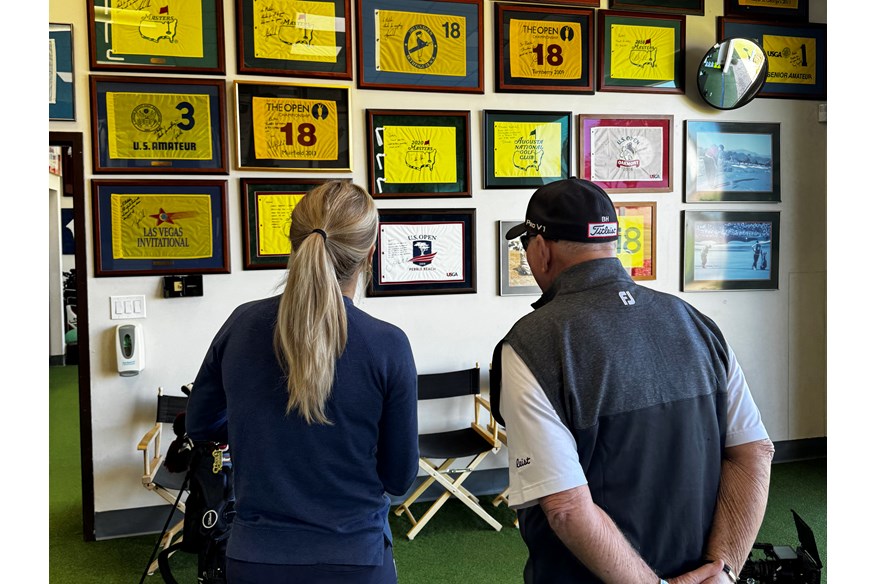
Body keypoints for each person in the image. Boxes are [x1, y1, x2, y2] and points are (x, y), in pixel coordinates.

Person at [489, 178, 774, 584]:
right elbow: (756, 452)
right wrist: (724, 569)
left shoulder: (531, 344)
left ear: (540, 249)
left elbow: (566, 507)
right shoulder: (697, 324)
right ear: (611, 244)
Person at [186, 181, 420, 584]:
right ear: (370, 250)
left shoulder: (242, 325)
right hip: (356, 558)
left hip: (255, 558)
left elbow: (201, 424)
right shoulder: (387, 344)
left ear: (292, 242)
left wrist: (260, 428)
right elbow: (399, 478)